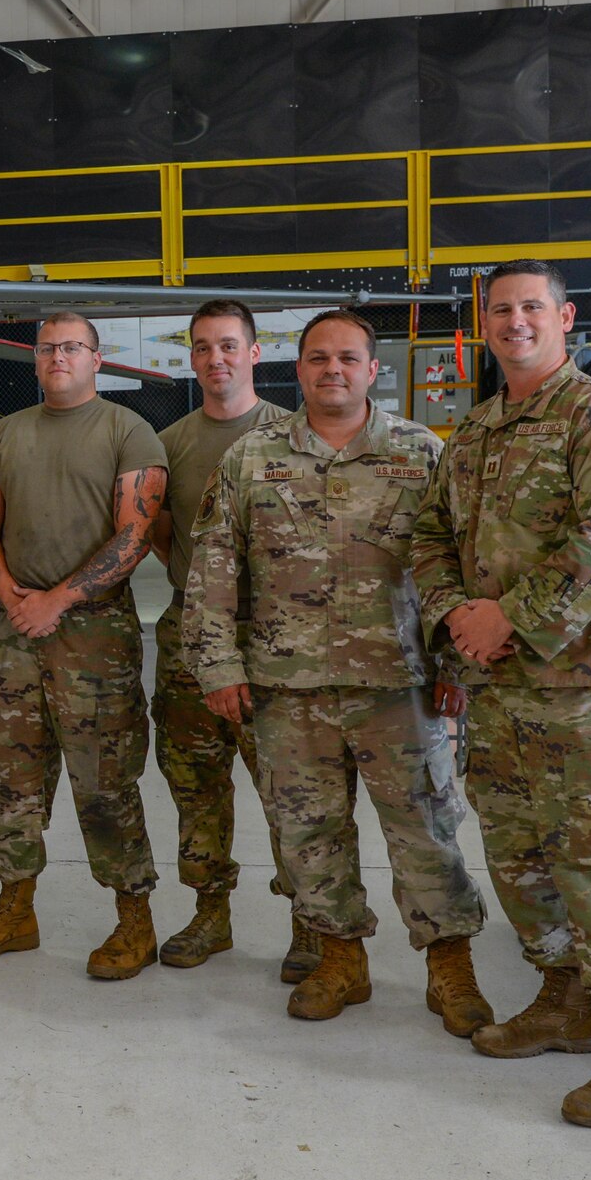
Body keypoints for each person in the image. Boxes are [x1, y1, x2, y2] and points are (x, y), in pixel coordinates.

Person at [412, 258, 591, 1127]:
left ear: (565, 319)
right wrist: (456, 615)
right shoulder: (476, 433)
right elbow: (428, 537)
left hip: (581, 686)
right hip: (496, 690)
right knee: (521, 860)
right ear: (482, 322)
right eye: (500, 308)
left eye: (532, 307)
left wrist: (510, 621)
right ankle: (563, 1001)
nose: (515, 321)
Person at [185, 309, 491, 1032]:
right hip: (288, 687)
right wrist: (218, 665)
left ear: (372, 369)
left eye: (348, 358)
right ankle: (339, 960)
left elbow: (459, 566)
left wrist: (457, 666)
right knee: (310, 833)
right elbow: (214, 567)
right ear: (298, 370)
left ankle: (451, 969)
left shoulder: (421, 452)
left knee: (427, 830)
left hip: (402, 685)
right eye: (318, 358)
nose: (333, 370)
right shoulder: (252, 458)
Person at [0, 313, 166, 975]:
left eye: (73, 347)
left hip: (93, 632)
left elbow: (135, 536)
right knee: (9, 778)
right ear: (35, 359)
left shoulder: (127, 431)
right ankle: (16, 910)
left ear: (97, 359)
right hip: (18, 627)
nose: (59, 357)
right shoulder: (7, 433)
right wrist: (13, 595)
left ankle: (136, 921)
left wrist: (61, 598)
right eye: (48, 348)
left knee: (104, 781)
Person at [148, 300, 305, 977]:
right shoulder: (171, 441)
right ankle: (211, 913)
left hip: (276, 640)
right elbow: (162, 533)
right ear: (191, 358)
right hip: (190, 634)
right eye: (204, 347)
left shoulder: (292, 435)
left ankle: (311, 924)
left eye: (229, 346)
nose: (217, 359)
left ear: (255, 351)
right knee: (194, 780)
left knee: (294, 789)